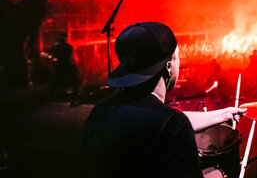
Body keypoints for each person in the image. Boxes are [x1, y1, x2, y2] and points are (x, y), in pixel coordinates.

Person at [76, 22, 245, 178]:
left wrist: (223, 114)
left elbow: (157, 122)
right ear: (169, 66)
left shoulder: (102, 110)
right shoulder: (172, 124)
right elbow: (169, 125)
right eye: (177, 57)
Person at [49, 32, 80, 106]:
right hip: (67, 65)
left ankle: (51, 97)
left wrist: (54, 65)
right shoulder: (69, 47)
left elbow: (53, 57)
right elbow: (73, 57)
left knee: (57, 82)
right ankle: (73, 100)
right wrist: (76, 65)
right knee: (75, 83)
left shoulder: (56, 47)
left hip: (60, 65)